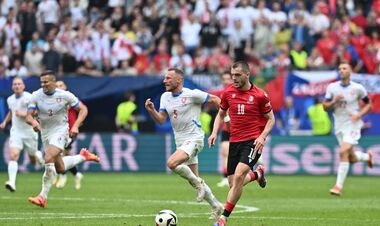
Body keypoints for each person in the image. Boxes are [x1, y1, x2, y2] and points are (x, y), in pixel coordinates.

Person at [145, 68, 224, 219]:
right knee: (192, 178)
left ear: (178, 80)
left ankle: (199, 184)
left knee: (172, 163)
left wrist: (225, 118)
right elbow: (161, 120)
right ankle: (216, 205)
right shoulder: (165, 96)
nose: (164, 81)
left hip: (194, 139)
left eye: (168, 78)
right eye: (165, 78)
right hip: (180, 141)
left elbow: (215, 99)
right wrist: (151, 110)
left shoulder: (192, 94)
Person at [209, 61, 275, 226]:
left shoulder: (260, 95)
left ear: (247, 74)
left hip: (253, 141)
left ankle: (223, 218)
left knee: (238, 177)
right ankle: (257, 174)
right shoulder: (228, 92)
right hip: (234, 141)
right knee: (234, 184)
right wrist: (214, 132)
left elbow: (271, 119)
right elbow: (220, 114)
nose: (234, 78)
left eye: (237, 75)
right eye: (233, 75)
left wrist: (262, 137)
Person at [26, 71, 100, 208]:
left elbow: (83, 109)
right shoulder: (35, 95)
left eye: (46, 82)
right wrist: (33, 122)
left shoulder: (65, 95)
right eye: (41, 82)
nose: (43, 85)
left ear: (54, 82)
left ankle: (42, 197)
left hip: (61, 131)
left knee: (48, 158)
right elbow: (28, 115)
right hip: (45, 133)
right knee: (60, 168)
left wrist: (76, 126)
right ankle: (83, 156)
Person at [323, 62, 374, 196]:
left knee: (342, 151)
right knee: (349, 157)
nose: (341, 70)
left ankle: (338, 186)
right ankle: (366, 156)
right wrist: (334, 101)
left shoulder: (358, 88)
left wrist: (359, 115)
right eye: (339, 68)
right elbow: (325, 107)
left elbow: (369, 104)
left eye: (344, 68)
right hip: (339, 125)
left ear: (350, 71)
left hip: (353, 124)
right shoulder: (332, 87)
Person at [0, 77, 44, 192]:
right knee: (13, 155)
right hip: (16, 132)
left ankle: (38, 156)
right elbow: (11, 111)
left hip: (29, 132)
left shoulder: (29, 97)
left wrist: (23, 114)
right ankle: (12, 182)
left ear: (23, 86)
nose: (17, 86)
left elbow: (36, 112)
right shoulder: (10, 99)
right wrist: (5, 122)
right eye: (15, 84)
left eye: (19, 84)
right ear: (12, 87)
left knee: (33, 158)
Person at [54, 80, 84, 190]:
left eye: (61, 85)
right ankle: (77, 175)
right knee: (63, 155)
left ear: (65, 86)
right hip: (58, 131)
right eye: (56, 85)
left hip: (70, 131)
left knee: (60, 153)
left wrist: (77, 125)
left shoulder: (70, 98)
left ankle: (62, 175)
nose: (59, 87)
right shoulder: (53, 100)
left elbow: (82, 110)